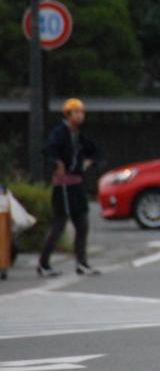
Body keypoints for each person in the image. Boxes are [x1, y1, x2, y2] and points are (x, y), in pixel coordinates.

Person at [39, 98, 100, 277]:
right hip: (63, 186)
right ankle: (44, 264)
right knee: (59, 224)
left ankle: (81, 263)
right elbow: (48, 150)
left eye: (82, 112)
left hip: (77, 184)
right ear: (68, 114)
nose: (81, 116)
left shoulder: (79, 135)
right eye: (77, 112)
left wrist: (89, 161)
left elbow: (95, 151)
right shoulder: (60, 133)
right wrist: (57, 162)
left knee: (82, 224)